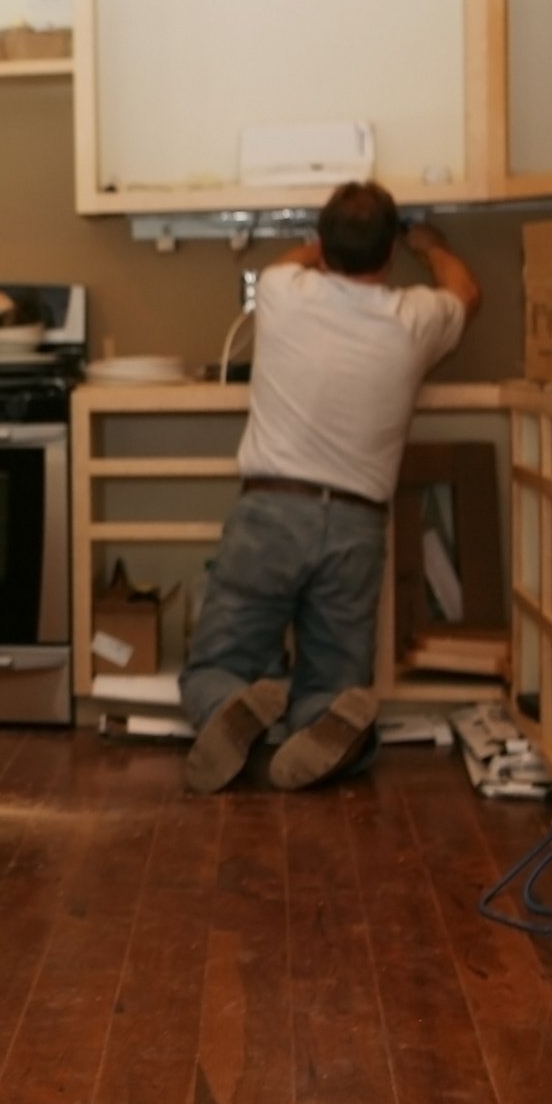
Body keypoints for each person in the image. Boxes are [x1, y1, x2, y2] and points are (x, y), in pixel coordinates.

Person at [180, 182, 482, 794]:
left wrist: (317, 248)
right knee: (335, 676)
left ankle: (225, 710)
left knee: (219, 659)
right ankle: (323, 723)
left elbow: (283, 263)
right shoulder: (415, 318)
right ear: (389, 255)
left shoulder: (282, 291)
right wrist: (427, 241)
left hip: (270, 508)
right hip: (354, 522)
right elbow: (467, 291)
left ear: (321, 243)